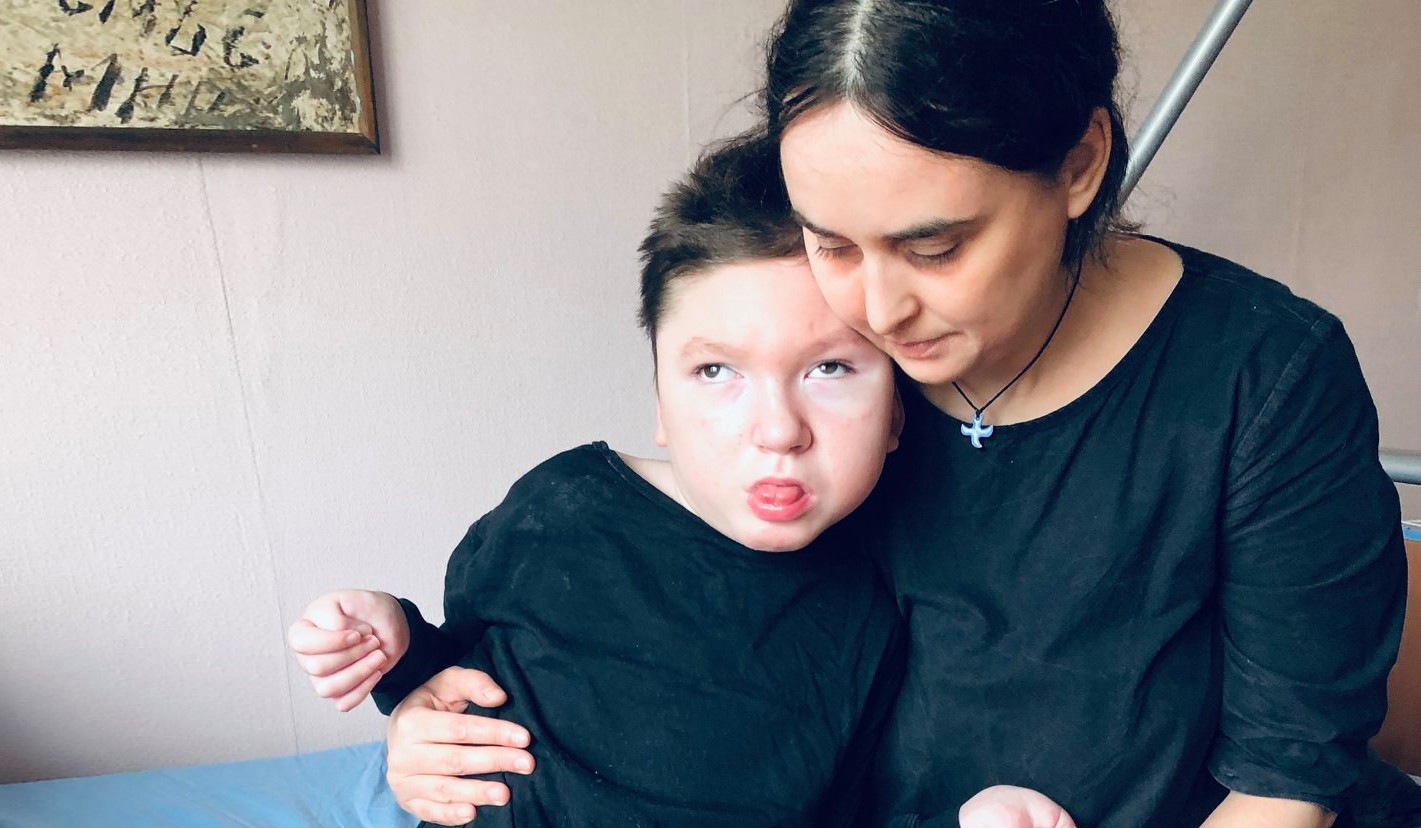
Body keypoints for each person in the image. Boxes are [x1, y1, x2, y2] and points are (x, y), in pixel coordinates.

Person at [368, 2, 1408, 827]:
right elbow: (661, 646)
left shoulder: (1261, 377)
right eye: (829, 241)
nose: (875, 307)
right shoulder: (812, 366)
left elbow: (1288, 779)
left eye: (933, 247)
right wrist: (441, 715)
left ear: (1080, 163)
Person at [289, 137, 1081, 828]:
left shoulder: (887, 597)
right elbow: (466, 673)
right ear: (660, 402)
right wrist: (394, 655)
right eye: (715, 372)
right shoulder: (560, 511)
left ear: (898, 411)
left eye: (831, 369)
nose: (778, 430)